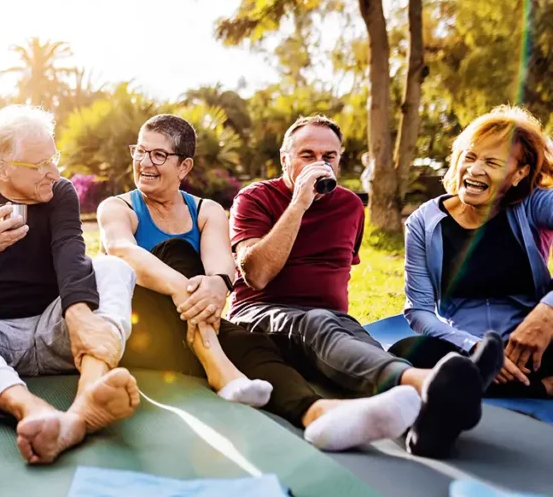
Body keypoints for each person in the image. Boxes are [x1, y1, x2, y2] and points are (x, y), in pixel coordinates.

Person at [99, 114, 423, 451]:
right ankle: (216, 364)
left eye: (158, 155)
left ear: (184, 167)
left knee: (253, 344)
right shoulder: (119, 207)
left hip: (188, 332)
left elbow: (222, 268)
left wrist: (217, 284)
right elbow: (123, 251)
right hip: (141, 335)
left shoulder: (206, 210)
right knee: (177, 252)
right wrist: (192, 288)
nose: (144, 162)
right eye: (140, 151)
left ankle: (317, 413)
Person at [229, 115, 505, 458]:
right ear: (285, 158)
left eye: (329, 157)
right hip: (260, 316)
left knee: (359, 343)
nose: (319, 163)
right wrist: (299, 203)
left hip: (330, 321)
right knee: (320, 324)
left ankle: (426, 428)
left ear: (339, 160)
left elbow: (338, 272)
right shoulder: (254, 198)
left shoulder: (349, 205)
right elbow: (256, 274)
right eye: (307, 155)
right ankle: (425, 384)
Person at [0, 105, 140, 466]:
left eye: (55, 159)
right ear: (2, 168)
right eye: (41, 164)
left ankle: (88, 396)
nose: (54, 172)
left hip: (56, 332)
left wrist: (78, 317)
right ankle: (29, 408)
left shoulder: (59, 193)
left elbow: (70, 252)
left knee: (113, 267)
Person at [394, 106, 553, 399]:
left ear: (520, 172)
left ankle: (484, 385)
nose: (475, 169)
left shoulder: (533, 205)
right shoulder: (423, 222)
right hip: (466, 350)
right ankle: (538, 388)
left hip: (537, 348)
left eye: (492, 162)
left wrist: (548, 312)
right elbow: (418, 310)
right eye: (469, 156)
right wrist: (474, 346)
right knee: (405, 353)